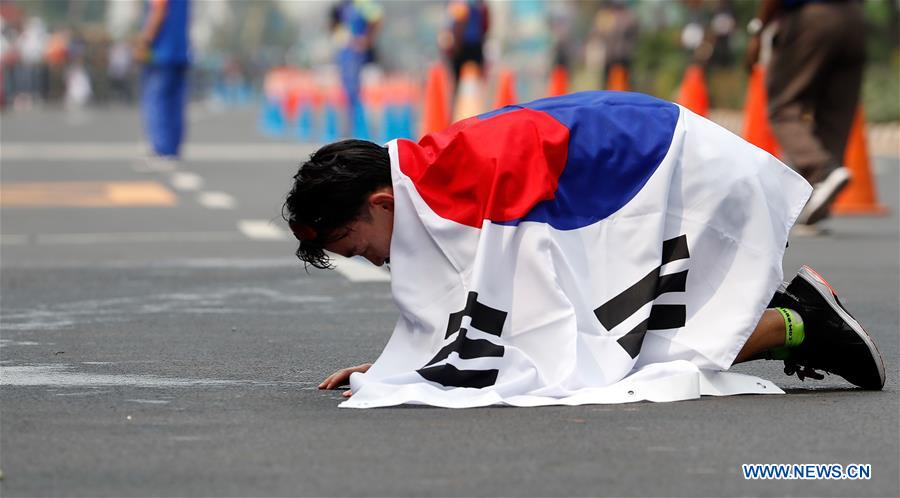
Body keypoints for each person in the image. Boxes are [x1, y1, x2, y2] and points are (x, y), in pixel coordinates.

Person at [283, 91, 885, 408]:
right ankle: (789, 313)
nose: (366, 259)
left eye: (351, 243)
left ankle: (797, 323)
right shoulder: (433, 177)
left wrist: (425, 370)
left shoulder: (457, 185)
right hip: (644, 165)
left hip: (674, 174)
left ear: (383, 202)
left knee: (607, 360)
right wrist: (412, 365)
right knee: (596, 347)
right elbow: (484, 310)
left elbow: (512, 321)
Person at [745, 0, 865, 231]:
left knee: (782, 107)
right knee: (836, 111)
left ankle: (822, 171)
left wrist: (760, 30)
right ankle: (820, 194)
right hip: (854, 19)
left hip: (812, 17)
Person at [134, 0, 191, 161]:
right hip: (181, 51)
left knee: (157, 102)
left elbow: (158, 10)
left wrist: (144, 41)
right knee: (174, 104)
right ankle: (172, 149)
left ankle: (160, 149)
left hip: (161, 53)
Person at [330, 0, 382, 137]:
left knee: (357, 91)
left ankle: (362, 130)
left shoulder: (363, 3)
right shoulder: (343, 6)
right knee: (347, 91)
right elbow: (333, 22)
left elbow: (377, 18)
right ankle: (351, 129)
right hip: (345, 52)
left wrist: (366, 39)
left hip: (357, 54)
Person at [439, 0, 489, 85]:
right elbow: (485, 26)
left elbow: (452, 27)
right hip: (473, 44)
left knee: (458, 79)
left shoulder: (458, 5)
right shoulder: (480, 6)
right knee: (477, 78)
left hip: (462, 45)